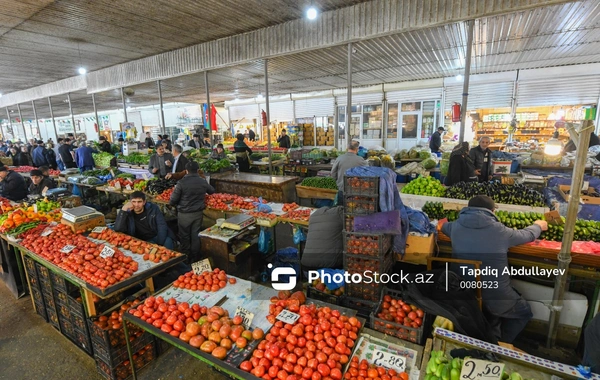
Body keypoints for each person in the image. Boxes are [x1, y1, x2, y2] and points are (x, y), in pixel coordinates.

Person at [441, 195, 548, 343]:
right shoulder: (500, 230)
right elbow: (528, 235)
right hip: (494, 296)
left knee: (489, 311)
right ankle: (499, 344)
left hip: (464, 293)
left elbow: (441, 226)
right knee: (524, 312)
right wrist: (538, 225)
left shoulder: (454, 226)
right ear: (492, 211)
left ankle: (490, 332)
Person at [169, 161, 215, 264]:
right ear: (198, 170)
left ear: (186, 171)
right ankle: (195, 257)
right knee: (195, 235)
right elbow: (212, 191)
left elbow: (172, 201)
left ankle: (186, 257)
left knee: (184, 235)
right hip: (197, 213)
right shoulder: (202, 181)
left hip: (184, 214)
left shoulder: (181, 183)